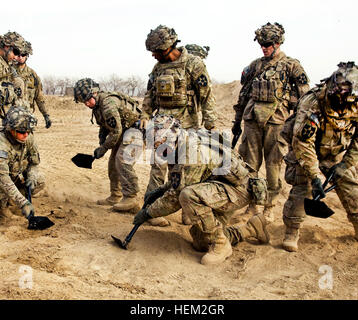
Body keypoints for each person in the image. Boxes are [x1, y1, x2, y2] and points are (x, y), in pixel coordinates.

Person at [280, 61, 358, 252]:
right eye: (338, 89)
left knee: (349, 182)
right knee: (303, 186)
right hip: (306, 151)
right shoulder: (314, 102)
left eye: (345, 91)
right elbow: (303, 142)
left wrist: (346, 163)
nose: (340, 94)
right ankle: (292, 231)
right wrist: (315, 176)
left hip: (335, 151)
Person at [133, 114, 270, 265]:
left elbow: (175, 198)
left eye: (159, 141)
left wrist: (148, 212)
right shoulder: (181, 144)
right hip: (220, 187)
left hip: (238, 190)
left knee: (188, 195)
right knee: (201, 242)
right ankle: (251, 228)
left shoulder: (191, 153)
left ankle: (221, 244)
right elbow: (178, 181)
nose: (157, 147)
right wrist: (160, 190)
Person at [141, 25, 217, 225]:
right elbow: (150, 94)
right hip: (162, 127)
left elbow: (207, 95)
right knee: (157, 167)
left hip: (187, 127)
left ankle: (187, 209)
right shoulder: (157, 69)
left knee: (185, 170)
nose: (154, 56)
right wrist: (145, 114)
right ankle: (152, 210)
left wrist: (210, 121)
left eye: (156, 51)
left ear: (168, 46)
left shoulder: (193, 64)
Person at [232, 22, 310, 220]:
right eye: (262, 45)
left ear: (277, 43)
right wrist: (237, 120)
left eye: (268, 44)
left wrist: (291, 111)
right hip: (252, 120)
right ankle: (253, 204)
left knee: (273, 166)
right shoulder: (255, 65)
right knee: (250, 166)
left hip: (277, 122)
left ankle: (269, 206)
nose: (264, 48)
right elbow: (244, 94)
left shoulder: (291, 65)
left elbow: (305, 98)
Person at [73, 78, 165, 221]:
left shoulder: (108, 104)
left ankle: (131, 197)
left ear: (95, 93)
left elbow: (116, 131)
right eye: (83, 101)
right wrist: (101, 142)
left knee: (122, 160)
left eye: (87, 99)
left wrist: (103, 148)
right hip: (124, 133)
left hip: (136, 131)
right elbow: (104, 127)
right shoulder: (97, 106)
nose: (86, 103)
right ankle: (115, 195)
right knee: (113, 164)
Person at [15, 41, 52, 129]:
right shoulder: (8, 72)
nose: (20, 57)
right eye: (18, 54)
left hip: (27, 114)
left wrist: (46, 115)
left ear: (27, 56)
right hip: (11, 115)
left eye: (23, 55)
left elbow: (39, 97)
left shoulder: (33, 75)